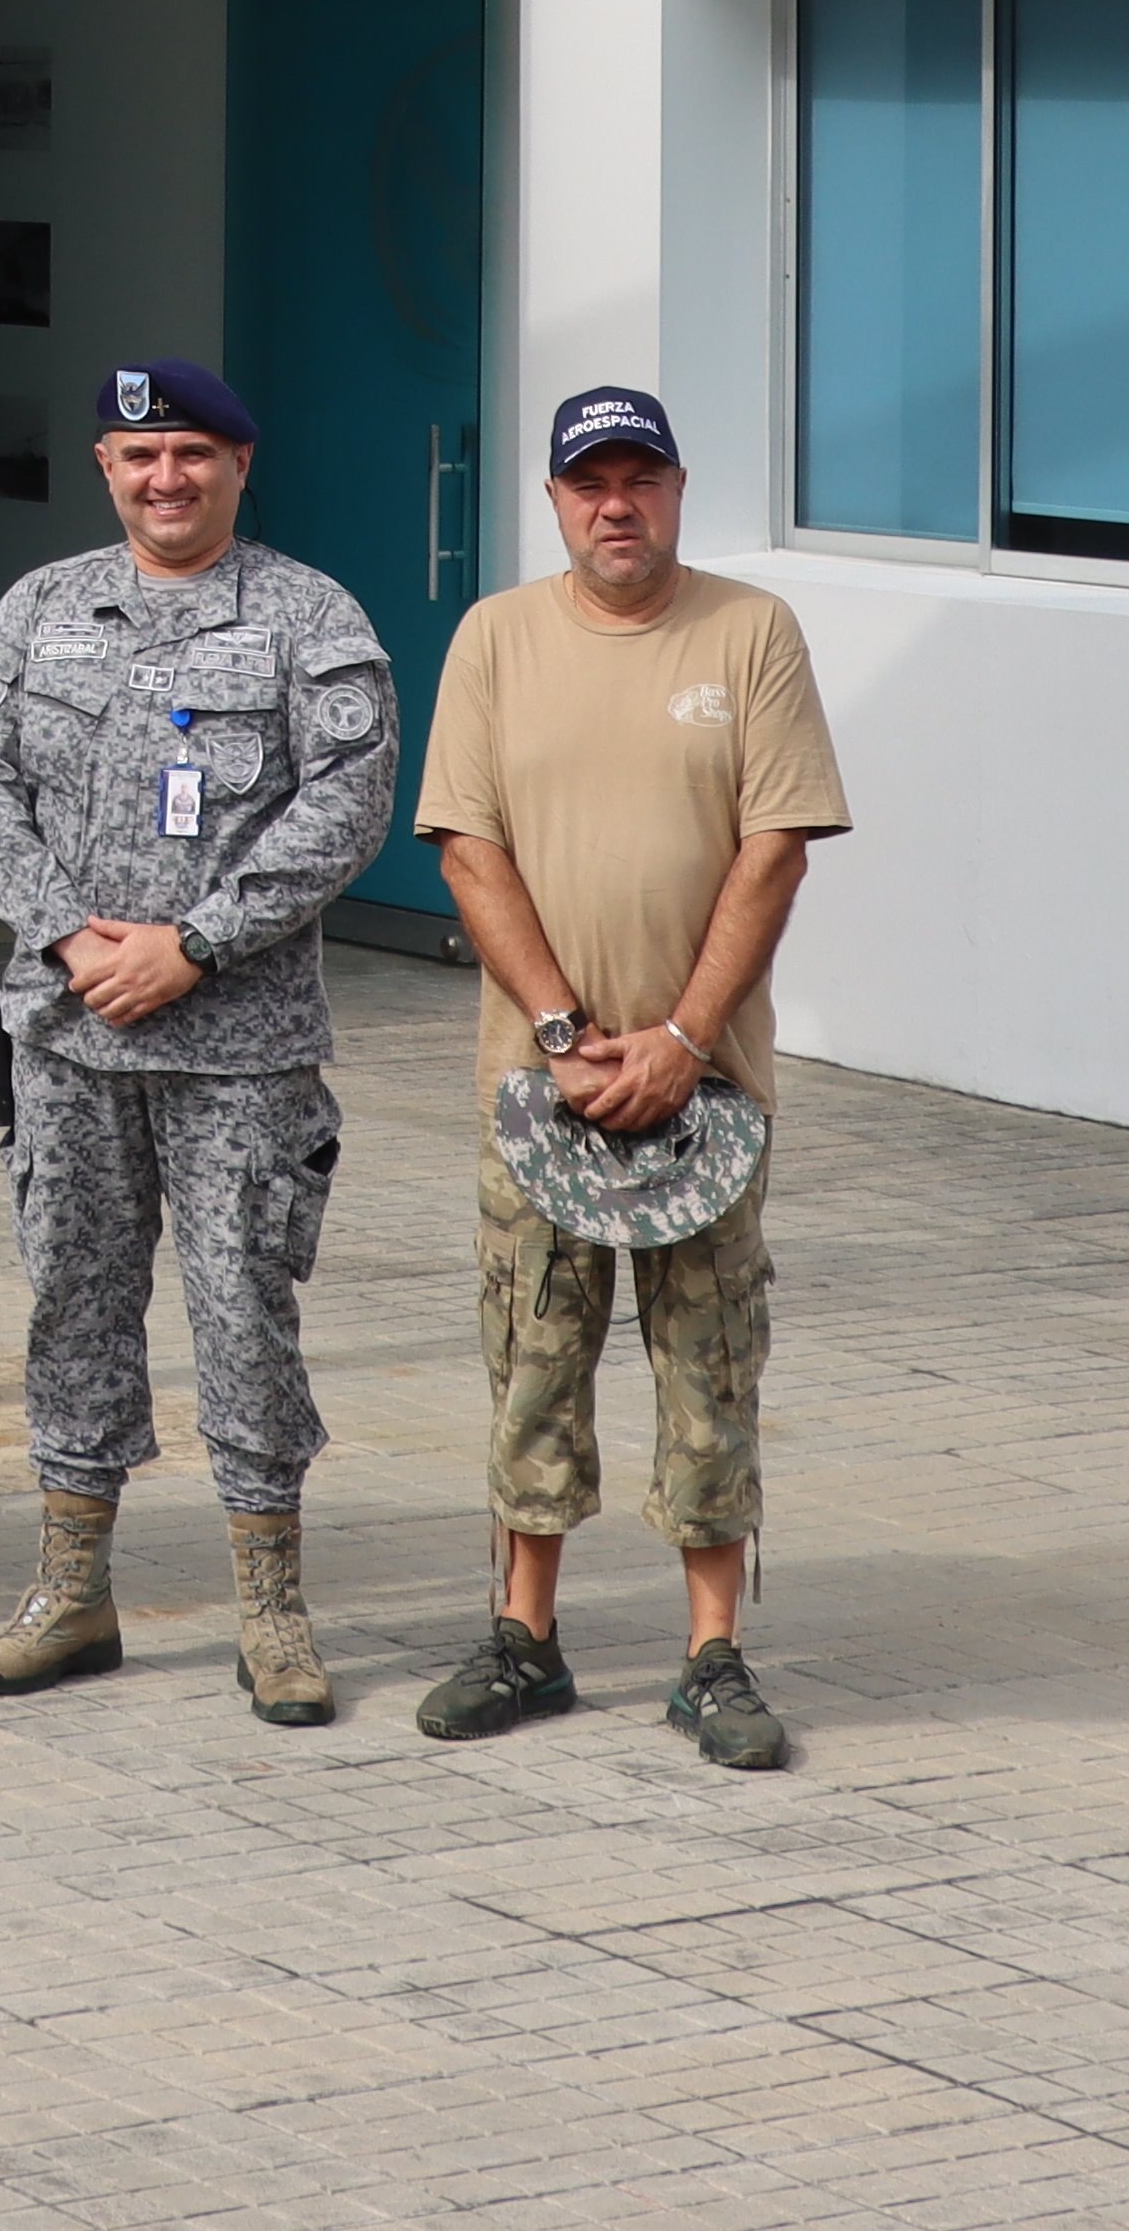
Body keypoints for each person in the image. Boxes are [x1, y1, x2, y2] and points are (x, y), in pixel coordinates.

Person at [0, 357, 396, 1719]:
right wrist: (75, 939)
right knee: (70, 1310)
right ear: (105, 472)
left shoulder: (310, 617)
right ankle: (72, 1594)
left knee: (246, 1318)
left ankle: (273, 1612)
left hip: (239, 1049)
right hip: (71, 1038)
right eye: (140, 458)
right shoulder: (37, 612)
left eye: (193, 453)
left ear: (241, 466)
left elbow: (346, 809)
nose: (166, 478)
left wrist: (192, 945)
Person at [412, 383, 851, 1773]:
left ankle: (712, 1656)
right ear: (552, 501)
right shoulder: (493, 639)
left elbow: (773, 847)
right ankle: (524, 1641)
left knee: (707, 1368)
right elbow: (467, 849)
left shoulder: (750, 633)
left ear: (677, 488)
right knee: (533, 1359)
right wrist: (561, 1028)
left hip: (706, 1094)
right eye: (589, 482)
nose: (618, 504)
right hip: (536, 1086)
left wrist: (676, 1039)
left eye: (640, 479)